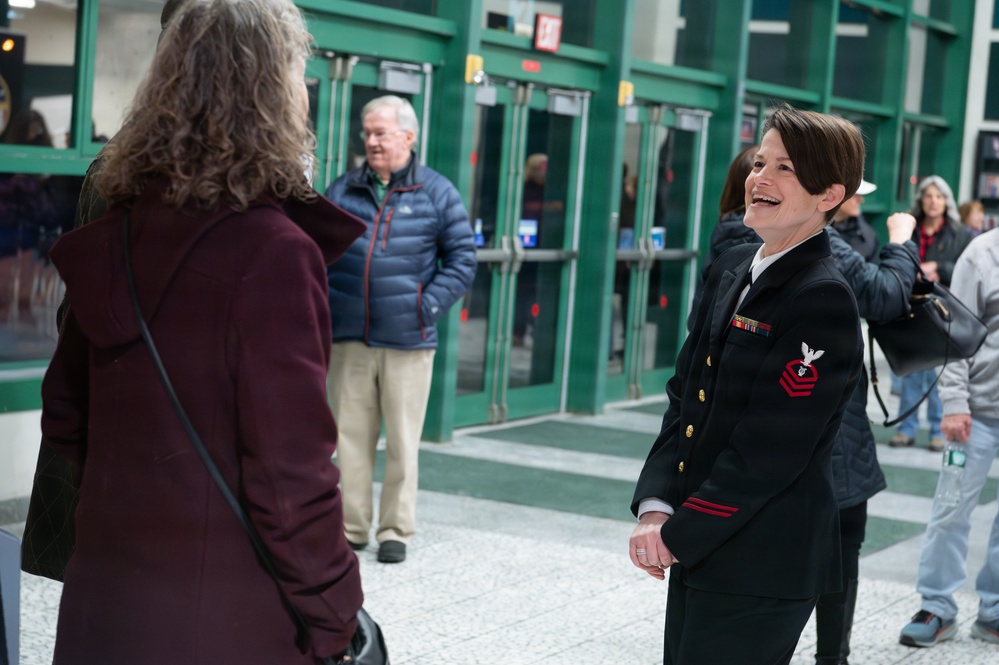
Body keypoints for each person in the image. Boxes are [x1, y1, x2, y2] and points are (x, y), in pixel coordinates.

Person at [39, 1, 365, 663]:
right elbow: (290, 478)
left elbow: (66, 417)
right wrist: (337, 617)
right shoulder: (273, 251)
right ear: (273, 90)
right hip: (224, 617)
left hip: (104, 601)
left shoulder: (116, 234)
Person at [629, 104, 866, 665]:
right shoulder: (733, 266)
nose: (760, 178)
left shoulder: (821, 297)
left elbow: (769, 451)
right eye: (761, 162)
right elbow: (685, 396)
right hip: (701, 539)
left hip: (764, 557)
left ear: (829, 194)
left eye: (785, 168)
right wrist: (658, 506)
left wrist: (680, 533)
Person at [325, 94, 477, 564]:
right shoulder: (343, 190)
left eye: (381, 133)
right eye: (367, 133)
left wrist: (424, 307)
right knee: (347, 439)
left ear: (409, 137)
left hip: (409, 341)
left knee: (403, 443)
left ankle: (395, 529)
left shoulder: (436, 191)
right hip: (348, 338)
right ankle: (350, 527)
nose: (371, 141)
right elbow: (317, 252)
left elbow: (463, 258)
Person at [897, 227, 999, 649]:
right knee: (950, 510)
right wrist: (954, 401)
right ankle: (936, 606)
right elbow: (954, 332)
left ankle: (993, 611)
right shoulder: (984, 252)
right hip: (976, 412)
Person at [889, 176, 974, 452]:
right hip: (912, 306)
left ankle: (938, 429)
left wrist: (940, 268)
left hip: (944, 309)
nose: (933, 201)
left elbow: (967, 267)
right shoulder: (909, 228)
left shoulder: (959, 233)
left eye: (938, 196)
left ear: (946, 201)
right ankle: (906, 428)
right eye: (928, 196)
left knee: (940, 370)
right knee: (912, 369)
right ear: (921, 200)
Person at [831, 179, 879, 262]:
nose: (861, 200)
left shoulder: (868, 235)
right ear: (837, 194)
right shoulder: (812, 228)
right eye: (855, 194)